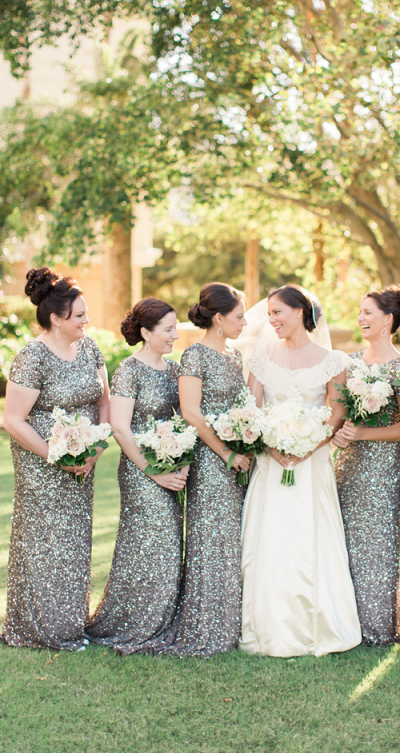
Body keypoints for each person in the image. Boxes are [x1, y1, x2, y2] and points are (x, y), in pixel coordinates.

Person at [0, 267, 109, 651]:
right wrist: (57, 455)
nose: (87, 321)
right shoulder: (31, 357)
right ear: (56, 318)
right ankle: (39, 629)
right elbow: (13, 420)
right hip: (40, 464)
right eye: (80, 315)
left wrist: (94, 449)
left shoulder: (90, 348)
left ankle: (70, 624)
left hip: (82, 464)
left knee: (74, 541)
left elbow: (103, 402)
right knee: (42, 542)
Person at [238, 285, 361, 657]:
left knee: (310, 538)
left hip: (312, 464)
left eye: (278, 312)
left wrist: (307, 447)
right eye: (270, 313)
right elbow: (251, 408)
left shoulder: (333, 360)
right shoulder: (260, 357)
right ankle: (267, 628)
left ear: (299, 312)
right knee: (271, 538)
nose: (271, 320)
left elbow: (335, 412)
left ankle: (318, 628)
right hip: (271, 463)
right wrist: (272, 445)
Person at [145, 282, 249, 657]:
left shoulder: (236, 356)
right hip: (211, 461)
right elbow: (191, 412)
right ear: (219, 319)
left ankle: (233, 621)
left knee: (234, 540)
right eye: (239, 316)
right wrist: (226, 453)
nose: (245, 322)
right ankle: (207, 624)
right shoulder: (194, 356)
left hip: (239, 457)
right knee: (211, 539)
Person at [86, 298, 188, 653]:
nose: (175, 335)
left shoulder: (174, 370)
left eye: (176, 328)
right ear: (146, 333)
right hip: (141, 470)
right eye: (168, 329)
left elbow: (184, 421)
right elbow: (119, 428)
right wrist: (155, 473)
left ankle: (162, 618)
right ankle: (133, 622)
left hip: (172, 466)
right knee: (149, 542)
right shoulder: (129, 370)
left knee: (169, 542)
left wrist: (182, 461)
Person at [334, 285, 400, 645]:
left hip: (381, 465)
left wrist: (363, 434)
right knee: (343, 537)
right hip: (347, 463)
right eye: (360, 312)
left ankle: (377, 626)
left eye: (368, 312)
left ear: (388, 319)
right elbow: (333, 414)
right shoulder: (348, 362)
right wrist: (337, 433)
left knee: (379, 540)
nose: (361, 318)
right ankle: (343, 620)